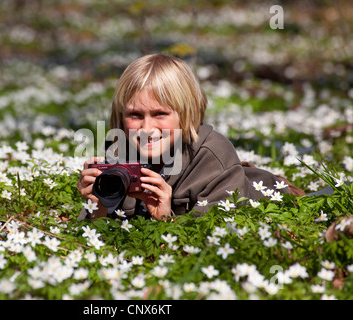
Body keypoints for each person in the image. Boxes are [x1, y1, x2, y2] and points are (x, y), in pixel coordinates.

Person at [77, 54, 304, 221]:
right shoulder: (118, 154)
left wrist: (165, 218)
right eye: (135, 115)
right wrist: (97, 208)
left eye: (160, 114)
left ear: (186, 114)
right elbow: (91, 234)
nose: (146, 128)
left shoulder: (213, 157)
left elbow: (214, 237)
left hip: (269, 194)